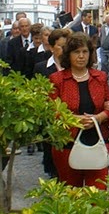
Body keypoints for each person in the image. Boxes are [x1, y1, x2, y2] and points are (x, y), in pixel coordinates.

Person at [49, 32, 109, 189]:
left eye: (85, 52)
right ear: (68, 54)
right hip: (67, 144)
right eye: (76, 52)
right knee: (71, 194)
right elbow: (51, 111)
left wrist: (98, 118)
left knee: (97, 194)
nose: (81, 56)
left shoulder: (100, 77)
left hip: (98, 141)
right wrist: (77, 120)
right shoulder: (57, 79)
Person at [34, 28, 70, 179]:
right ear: (52, 47)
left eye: (66, 46)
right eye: (60, 46)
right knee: (52, 155)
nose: (64, 50)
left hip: (70, 117)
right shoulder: (42, 67)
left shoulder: (73, 67)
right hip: (51, 117)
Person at [99, 15, 109, 82]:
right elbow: (101, 36)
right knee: (103, 63)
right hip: (103, 48)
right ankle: (104, 75)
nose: (108, 21)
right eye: (107, 19)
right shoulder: (102, 27)